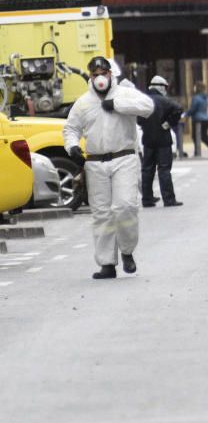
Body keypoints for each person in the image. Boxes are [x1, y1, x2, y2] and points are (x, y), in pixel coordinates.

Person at [63, 56, 155, 279]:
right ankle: (106, 263)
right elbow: (70, 129)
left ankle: (127, 251)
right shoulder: (83, 103)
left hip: (124, 158)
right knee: (102, 214)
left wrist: (117, 105)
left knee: (125, 207)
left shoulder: (124, 94)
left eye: (104, 73)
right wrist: (72, 147)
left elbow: (148, 107)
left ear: (110, 75)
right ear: (91, 77)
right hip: (95, 163)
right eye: (95, 74)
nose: (100, 78)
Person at [138, 75, 184, 208]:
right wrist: (169, 122)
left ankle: (147, 199)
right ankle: (168, 199)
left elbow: (138, 117)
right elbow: (179, 109)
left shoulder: (143, 100)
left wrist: (144, 124)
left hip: (147, 140)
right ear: (161, 87)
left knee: (147, 170)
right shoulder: (165, 101)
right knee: (164, 170)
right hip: (163, 140)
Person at [184, 81, 208, 157]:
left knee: (197, 136)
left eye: (195, 87)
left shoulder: (196, 98)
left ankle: (199, 152)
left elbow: (193, 109)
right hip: (205, 119)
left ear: (197, 88)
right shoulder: (205, 97)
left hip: (198, 120)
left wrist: (185, 114)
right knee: (203, 136)